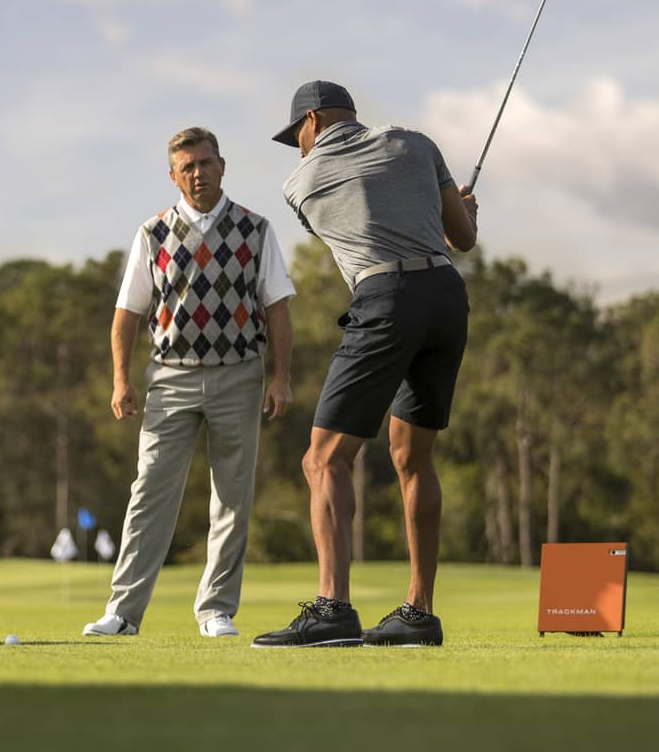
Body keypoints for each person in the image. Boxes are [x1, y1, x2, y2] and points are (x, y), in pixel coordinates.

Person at [251, 81, 478, 649]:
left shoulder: (299, 183)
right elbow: (464, 238)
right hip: (447, 297)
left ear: (313, 120)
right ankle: (419, 614)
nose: (298, 149)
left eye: (297, 136)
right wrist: (460, 207)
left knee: (323, 459)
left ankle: (333, 609)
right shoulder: (417, 144)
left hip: (387, 297)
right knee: (412, 457)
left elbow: (361, 222)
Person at [84, 127, 296, 638]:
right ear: (173, 176)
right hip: (171, 377)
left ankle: (216, 609)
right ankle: (124, 612)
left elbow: (278, 309)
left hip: (239, 375)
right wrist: (119, 379)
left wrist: (282, 378)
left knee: (232, 496)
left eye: (206, 163)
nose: (198, 173)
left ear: (222, 166)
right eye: (188, 167)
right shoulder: (152, 233)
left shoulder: (255, 229)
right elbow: (126, 315)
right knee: (149, 492)